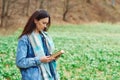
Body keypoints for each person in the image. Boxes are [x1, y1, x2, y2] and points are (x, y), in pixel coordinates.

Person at [16, 9, 60, 80]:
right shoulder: (25, 39)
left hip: (50, 76)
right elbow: (20, 62)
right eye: (43, 23)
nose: (45, 26)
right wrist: (39, 60)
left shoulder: (45, 37)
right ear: (35, 20)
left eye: (46, 23)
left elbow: (46, 57)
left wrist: (52, 58)